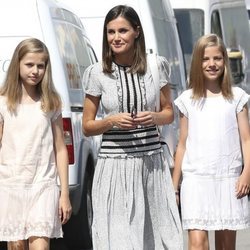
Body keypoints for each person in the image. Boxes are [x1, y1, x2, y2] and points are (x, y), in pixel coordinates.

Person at [82, 4, 183, 250]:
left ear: (136, 31)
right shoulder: (97, 73)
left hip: (151, 165)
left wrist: (155, 117)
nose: (116, 38)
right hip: (114, 166)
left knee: (157, 234)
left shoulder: (156, 66)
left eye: (122, 31)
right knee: (119, 238)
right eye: (110, 32)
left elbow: (169, 113)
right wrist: (111, 121)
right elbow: (87, 125)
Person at [173, 33, 250, 250]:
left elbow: (247, 139)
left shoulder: (237, 97)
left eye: (217, 58)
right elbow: (182, 144)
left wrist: (247, 173)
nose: (212, 64)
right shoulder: (187, 100)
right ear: (198, 63)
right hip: (196, 180)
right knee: (197, 244)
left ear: (224, 61)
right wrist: (174, 186)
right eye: (206, 59)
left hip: (228, 180)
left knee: (226, 246)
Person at [0, 38, 72, 250]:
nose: (35, 71)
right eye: (29, 64)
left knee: (40, 246)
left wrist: (64, 193)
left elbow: (60, 148)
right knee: (17, 247)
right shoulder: (3, 102)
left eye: (41, 65)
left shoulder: (51, 102)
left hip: (43, 184)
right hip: (11, 184)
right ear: (17, 64)